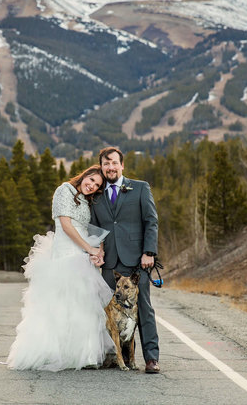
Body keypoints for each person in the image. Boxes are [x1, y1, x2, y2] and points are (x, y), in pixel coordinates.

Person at [7, 165, 115, 371]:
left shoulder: (87, 200)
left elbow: (91, 228)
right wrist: (88, 249)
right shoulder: (64, 190)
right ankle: (57, 352)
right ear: (84, 175)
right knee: (63, 303)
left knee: (85, 304)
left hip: (85, 255)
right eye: (90, 180)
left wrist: (98, 251)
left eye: (97, 185)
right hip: (66, 252)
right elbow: (66, 225)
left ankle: (86, 354)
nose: (91, 186)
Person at [90, 147, 161, 374]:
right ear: (101, 167)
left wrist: (149, 252)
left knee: (143, 310)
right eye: (105, 164)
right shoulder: (97, 195)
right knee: (108, 313)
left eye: (114, 163)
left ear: (122, 165)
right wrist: (95, 253)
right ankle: (112, 356)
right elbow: (94, 228)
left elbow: (151, 220)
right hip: (110, 265)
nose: (110, 167)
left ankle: (151, 358)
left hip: (137, 262)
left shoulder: (140, 188)